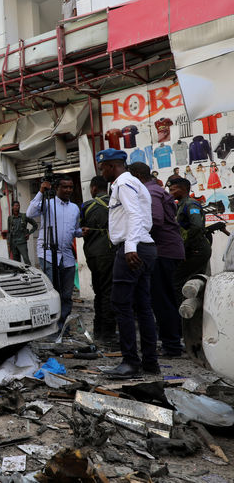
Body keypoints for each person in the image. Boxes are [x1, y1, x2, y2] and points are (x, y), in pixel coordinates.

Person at [96, 149, 158, 377]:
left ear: (111, 166)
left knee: (121, 305)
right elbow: (145, 218)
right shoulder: (134, 183)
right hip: (145, 246)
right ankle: (150, 363)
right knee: (143, 307)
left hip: (133, 248)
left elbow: (134, 214)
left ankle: (130, 362)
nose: (101, 172)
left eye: (102, 167)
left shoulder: (123, 183)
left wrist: (130, 246)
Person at [129, 163, 185, 357]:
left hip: (163, 251)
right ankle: (174, 340)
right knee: (167, 298)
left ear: (136, 176)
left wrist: (132, 237)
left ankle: (172, 345)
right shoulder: (156, 190)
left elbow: (154, 220)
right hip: (169, 250)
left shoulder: (150, 192)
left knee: (161, 300)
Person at [25, 176, 82, 329]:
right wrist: (41, 192)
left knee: (66, 294)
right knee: (52, 292)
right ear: (57, 188)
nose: (68, 190)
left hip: (67, 256)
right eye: (65, 187)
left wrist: (83, 232)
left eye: (70, 187)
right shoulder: (48, 204)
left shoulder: (75, 208)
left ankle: (62, 325)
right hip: (48, 254)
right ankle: (50, 326)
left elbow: (75, 230)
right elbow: (30, 213)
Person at [79, 176, 115, 344]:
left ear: (93, 188)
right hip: (110, 253)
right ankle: (108, 332)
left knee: (99, 292)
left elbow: (80, 228)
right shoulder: (115, 203)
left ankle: (99, 330)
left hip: (93, 255)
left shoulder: (87, 206)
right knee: (109, 292)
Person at [170, 178, 211, 305]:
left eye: (172, 190)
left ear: (182, 189)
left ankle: (180, 316)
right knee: (193, 281)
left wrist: (185, 246)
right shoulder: (181, 204)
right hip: (193, 249)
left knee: (177, 281)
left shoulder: (190, 204)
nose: (170, 192)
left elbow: (197, 226)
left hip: (196, 249)